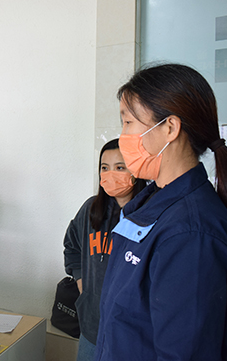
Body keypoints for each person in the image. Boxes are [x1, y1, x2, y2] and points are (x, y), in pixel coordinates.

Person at [94, 63, 227, 361]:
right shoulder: (152, 203)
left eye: (128, 122)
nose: (123, 136)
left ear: (170, 128)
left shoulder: (191, 234)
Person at [64, 139, 147, 361]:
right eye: (104, 167)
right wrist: (82, 283)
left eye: (120, 167)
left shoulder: (148, 214)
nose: (111, 174)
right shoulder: (91, 209)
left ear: (136, 170)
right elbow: (71, 246)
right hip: (92, 327)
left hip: (130, 332)